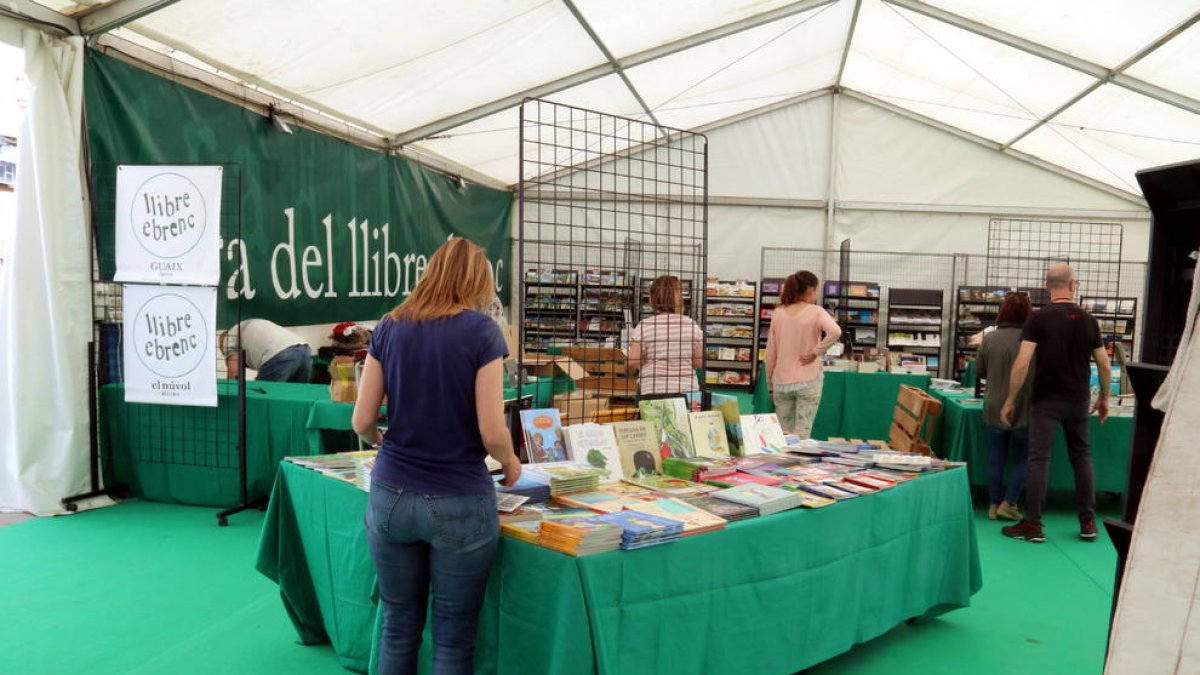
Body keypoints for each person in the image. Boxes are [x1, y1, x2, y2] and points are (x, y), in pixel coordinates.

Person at [352, 238, 522, 675]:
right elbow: (491, 429)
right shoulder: (483, 332)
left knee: (397, 623)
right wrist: (511, 462)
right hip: (458, 498)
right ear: (477, 282)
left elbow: (362, 418)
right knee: (452, 633)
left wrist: (380, 442)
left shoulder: (389, 325)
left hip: (390, 492)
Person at [999, 263, 1111, 544]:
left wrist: (1010, 400)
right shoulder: (1088, 320)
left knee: (1039, 459)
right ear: (1074, 285)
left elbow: (1022, 362)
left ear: (1048, 286)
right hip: (1078, 400)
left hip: (1045, 400)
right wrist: (1104, 398)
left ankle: (1033, 524)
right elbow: (1105, 365)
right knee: (1082, 457)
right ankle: (1088, 521)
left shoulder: (1038, 319)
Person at [976, 292, 1033, 521]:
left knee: (996, 457)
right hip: (1024, 406)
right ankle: (1009, 502)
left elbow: (979, 371)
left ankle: (992, 504)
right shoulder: (1033, 340)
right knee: (1025, 457)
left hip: (993, 404)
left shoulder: (989, 338)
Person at [764, 271, 842, 438]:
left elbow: (770, 354)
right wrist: (816, 352)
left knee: (782, 432)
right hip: (808, 380)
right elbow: (835, 331)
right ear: (812, 289)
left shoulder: (778, 313)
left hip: (781, 381)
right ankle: (798, 463)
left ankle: (781, 462)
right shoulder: (816, 311)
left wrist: (770, 385)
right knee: (802, 432)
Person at [628, 275, 704, 397]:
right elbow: (698, 362)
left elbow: (633, 361)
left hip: (652, 388)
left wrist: (648, 364)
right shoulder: (692, 326)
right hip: (686, 388)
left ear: (653, 298)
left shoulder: (645, 326)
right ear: (679, 298)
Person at [219, 319, 312, 383]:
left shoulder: (229, 338)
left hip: (279, 354)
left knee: (261, 398)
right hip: (304, 350)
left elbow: (234, 373)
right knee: (295, 397)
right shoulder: (246, 325)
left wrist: (230, 398)